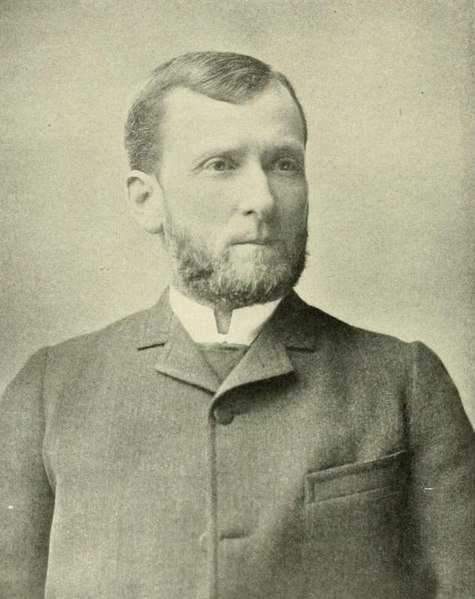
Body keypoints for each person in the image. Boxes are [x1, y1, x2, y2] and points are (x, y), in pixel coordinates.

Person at [0, 51, 474, 599]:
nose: (263, 200)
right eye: (221, 165)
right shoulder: (50, 391)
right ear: (147, 200)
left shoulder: (404, 383)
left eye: (284, 164)